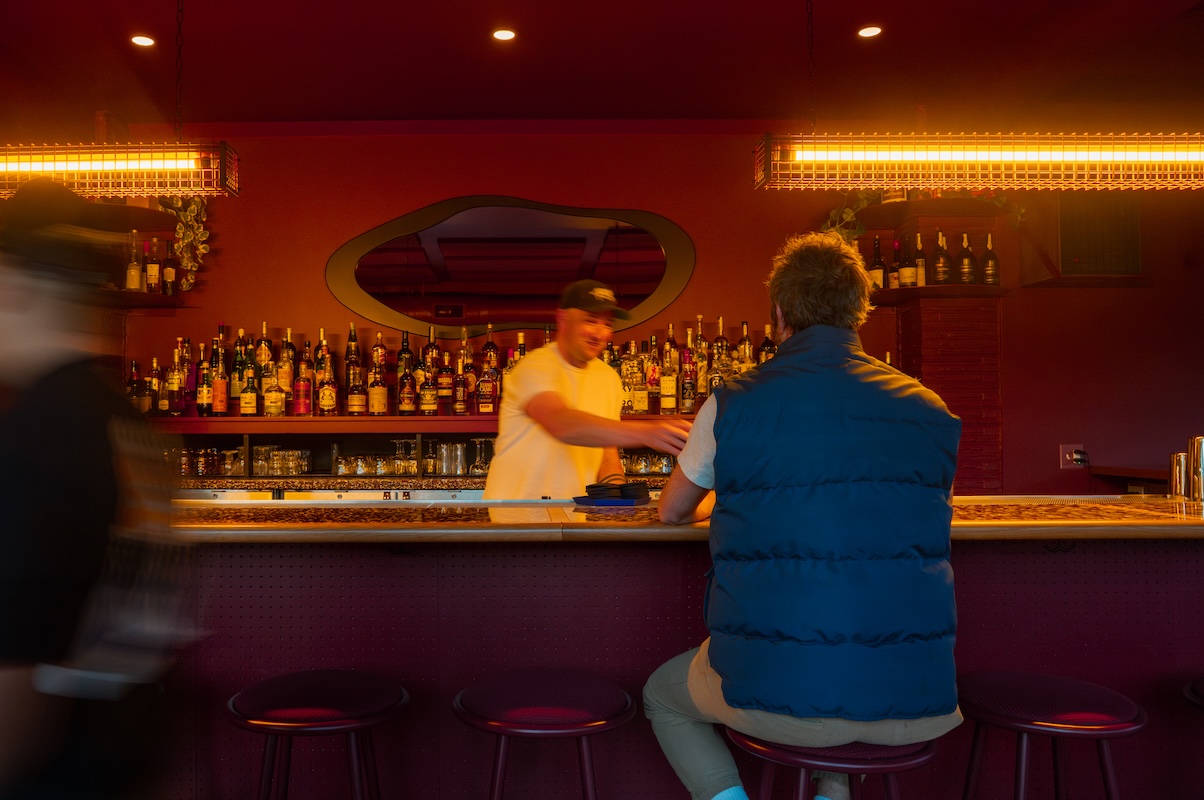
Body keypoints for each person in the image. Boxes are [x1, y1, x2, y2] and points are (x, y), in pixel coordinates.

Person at [643, 231, 963, 800]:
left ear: (780, 313)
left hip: (770, 694)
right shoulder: (928, 407)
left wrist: (745, 496)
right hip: (915, 699)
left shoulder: (733, 402)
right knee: (836, 691)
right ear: (858, 311)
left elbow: (672, 510)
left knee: (663, 696)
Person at [0, 179, 189, 799]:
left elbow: (19, 661)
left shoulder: (43, 432)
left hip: (55, 774)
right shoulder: (126, 420)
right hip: (127, 750)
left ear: (17, 285)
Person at [483, 278, 691, 499]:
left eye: (607, 324)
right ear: (563, 319)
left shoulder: (608, 378)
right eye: (591, 321)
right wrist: (649, 432)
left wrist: (617, 497)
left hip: (573, 516)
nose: (599, 334)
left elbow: (606, 451)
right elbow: (561, 423)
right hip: (515, 516)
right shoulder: (535, 367)